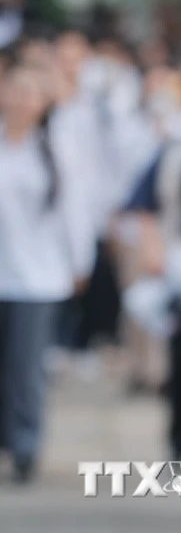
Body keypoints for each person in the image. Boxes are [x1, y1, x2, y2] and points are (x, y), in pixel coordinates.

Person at [0, 64, 93, 483]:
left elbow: (75, 213)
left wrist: (80, 263)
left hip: (36, 278)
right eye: (13, 90)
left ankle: (24, 444)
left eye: (29, 93)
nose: (20, 100)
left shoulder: (57, 149)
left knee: (24, 367)